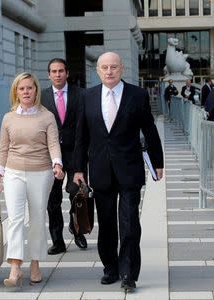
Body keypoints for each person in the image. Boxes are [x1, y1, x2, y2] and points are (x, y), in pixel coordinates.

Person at [73, 52, 164, 292]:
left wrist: (158, 162)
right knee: (107, 223)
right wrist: (78, 169)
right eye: (104, 67)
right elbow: (81, 136)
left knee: (130, 223)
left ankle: (128, 273)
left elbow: (150, 131)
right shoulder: (88, 97)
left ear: (122, 69)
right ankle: (110, 268)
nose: (109, 71)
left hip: (129, 169)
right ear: (98, 71)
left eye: (114, 67)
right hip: (100, 170)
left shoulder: (138, 95)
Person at [0, 72, 64, 288]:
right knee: (15, 220)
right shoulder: (8, 117)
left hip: (41, 173)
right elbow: (3, 149)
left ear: (36, 91)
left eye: (29, 88)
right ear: (16, 91)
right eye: (21, 88)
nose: (25, 92)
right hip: (13, 172)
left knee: (36, 220)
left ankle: (34, 263)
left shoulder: (47, 116)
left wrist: (57, 164)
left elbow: (53, 144)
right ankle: (15, 267)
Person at [40, 58, 89, 255]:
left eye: (61, 71)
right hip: (50, 155)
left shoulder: (81, 95)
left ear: (67, 73)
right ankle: (57, 241)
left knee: (78, 194)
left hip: (76, 152)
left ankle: (77, 230)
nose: (58, 75)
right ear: (49, 74)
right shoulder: (41, 96)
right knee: (53, 200)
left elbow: (84, 127)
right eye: (54, 71)